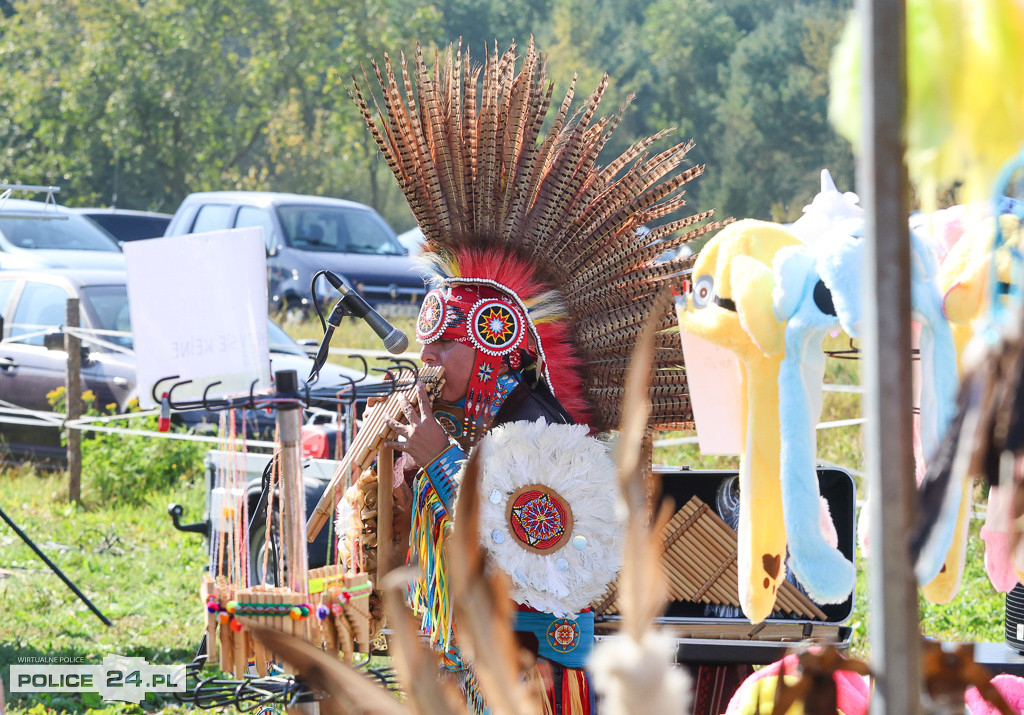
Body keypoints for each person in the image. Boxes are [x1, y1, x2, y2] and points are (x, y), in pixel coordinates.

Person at [348, 40, 720, 713]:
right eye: (427, 346)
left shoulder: (545, 431)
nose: (428, 362)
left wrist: (438, 465)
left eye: (445, 348)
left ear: (494, 349)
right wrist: (395, 487)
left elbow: (535, 554)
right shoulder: (479, 425)